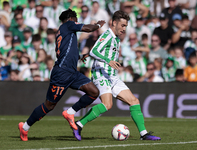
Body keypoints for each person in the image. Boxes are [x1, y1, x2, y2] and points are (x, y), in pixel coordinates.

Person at [71, 10, 161, 141]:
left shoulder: (116, 38)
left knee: (134, 101)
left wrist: (89, 56)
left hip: (112, 76)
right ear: (113, 23)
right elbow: (94, 50)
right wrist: (107, 60)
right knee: (107, 104)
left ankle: (143, 134)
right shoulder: (107, 35)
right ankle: (79, 125)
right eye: (122, 25)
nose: (124, 29)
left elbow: (96, 52)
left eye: (126, 26)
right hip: (101, 74)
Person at [18, 9, 105, 141]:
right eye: (76, 18)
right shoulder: (68, 25)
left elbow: (64, 52)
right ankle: (24, 127)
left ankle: (70, 112)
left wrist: (79, 56)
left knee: (94, 92)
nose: (77, 21)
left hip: (72, 72)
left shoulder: (64, 31)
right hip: (62, 73)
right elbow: (88, 28)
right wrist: (98, 25)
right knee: (49, 105)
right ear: (71, 18)